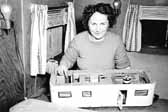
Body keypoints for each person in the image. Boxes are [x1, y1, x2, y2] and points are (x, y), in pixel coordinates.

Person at [57, 3, 131, 76]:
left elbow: (124, 67)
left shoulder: (116, 40)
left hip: (107, 83)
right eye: (93, 24)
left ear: (109, 23)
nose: (98, 29)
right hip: (83, 84)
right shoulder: (78, 39)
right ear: (87, 24)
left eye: (102, 24)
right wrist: (63, 66)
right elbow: (68, 59)